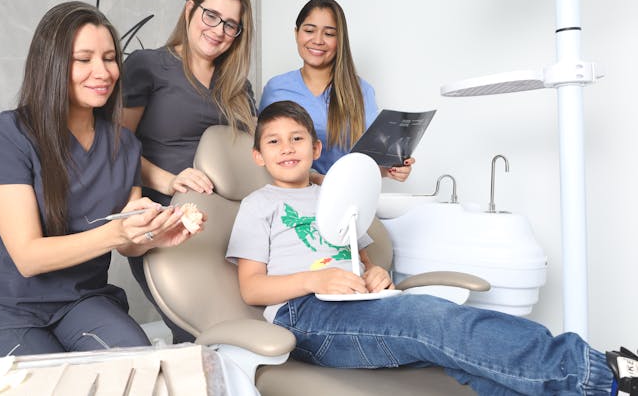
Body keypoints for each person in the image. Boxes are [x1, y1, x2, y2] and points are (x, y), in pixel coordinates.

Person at [226, 100, 638, 396]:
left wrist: (373, 272)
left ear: (316, 150)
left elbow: (359, 255)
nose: (287, 148)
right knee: (430, 318)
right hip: (305, 315)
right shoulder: (258, 204)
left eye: (298, 138)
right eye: (275, 142)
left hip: (358, 300)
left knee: (468, 357)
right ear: (258, 156)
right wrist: (316, 279)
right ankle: (602, 374)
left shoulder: (335, 194)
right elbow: (252, 288)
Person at [0, 1, 199, 360]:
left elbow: (127, 238)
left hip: (80, 301)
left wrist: (152, 235)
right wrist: (118, 233)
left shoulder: (124, 143)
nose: (103, 71)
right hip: (5, 308)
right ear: (51, 63)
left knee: (138, 365)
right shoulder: (9, 133)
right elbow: (28, 257)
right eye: (83, 59)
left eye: (110, 58)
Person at [120, 0, 256, 342]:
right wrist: (168, 180)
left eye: (231, 24)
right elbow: (117, 146)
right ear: (190, 10)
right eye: (211, 15)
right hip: (169, 217)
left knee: (248, 329)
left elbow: (253, 154)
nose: (219, 30)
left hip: (232, 225)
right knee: (196, 331)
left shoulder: (238, 87)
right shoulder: (147, 66)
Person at [259, 0, 414, 185]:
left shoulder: (362, 91)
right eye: (309, 30)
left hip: (349, 195)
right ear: (296, 33)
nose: (318, 40)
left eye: (329, 34)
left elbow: (371, 159)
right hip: (294, 197)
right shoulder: (276, 89)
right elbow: (264, 154)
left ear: (340, 40)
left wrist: (392, 169)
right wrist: (316, 179)